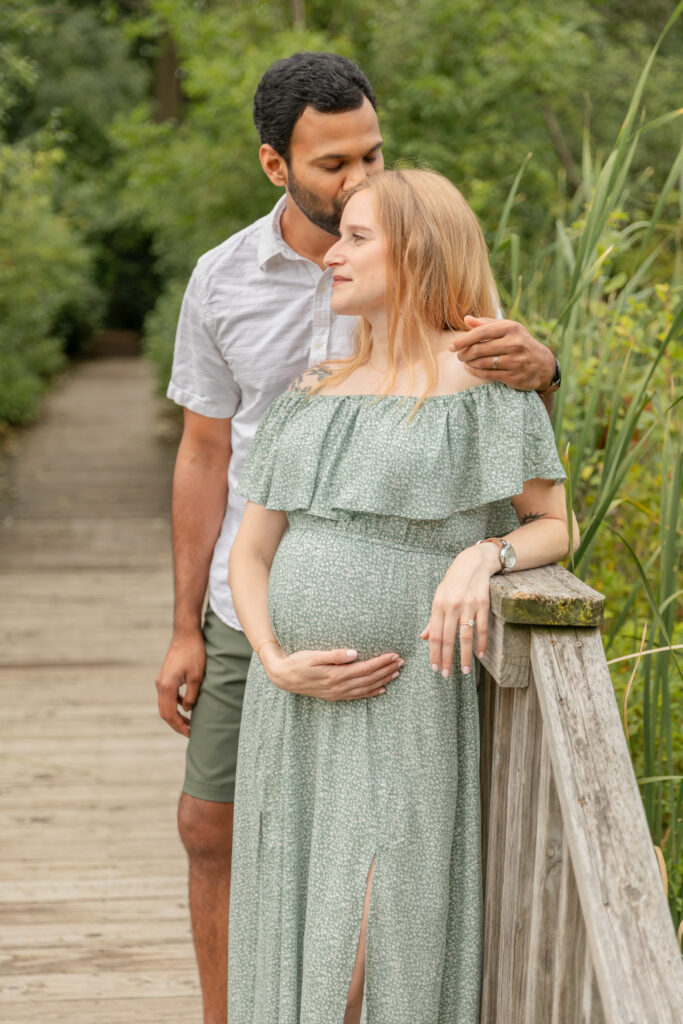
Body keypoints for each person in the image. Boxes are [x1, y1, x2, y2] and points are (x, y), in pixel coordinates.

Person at [154, 52, 560, 1024]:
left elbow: (529, 486)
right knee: (216, 826)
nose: (357, 182)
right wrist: (192, 628)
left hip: (407, 675)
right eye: (333, 165)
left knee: (377, 906)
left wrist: (541, 369)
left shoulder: (445, 308)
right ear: (274, 166)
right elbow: (206, 457)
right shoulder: (223, 284)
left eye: (371, 155)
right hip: (250, 619)